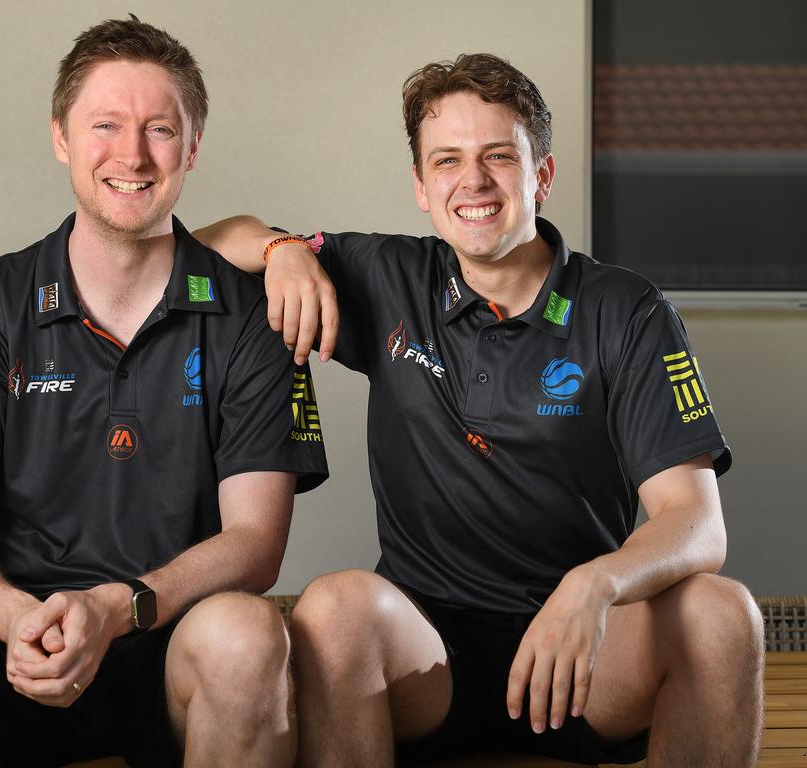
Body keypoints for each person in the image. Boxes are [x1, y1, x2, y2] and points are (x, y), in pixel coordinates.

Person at [194, 53, 763, 766]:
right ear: (421, 188)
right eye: (447, 161)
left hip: (583, 651)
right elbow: (199, 247)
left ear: (542, 176)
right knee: (334, 607)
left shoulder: (627, 311)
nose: (474, 181)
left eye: (499, 156)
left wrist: (593, 586)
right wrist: (281, 249)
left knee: (724, 615)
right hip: (430, 654)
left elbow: (697, 525)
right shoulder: (389, 278)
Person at [0, 17, 327, 768]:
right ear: (61, 136)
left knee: (248, 635)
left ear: (191, 148)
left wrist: (115, 609)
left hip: (169, 641)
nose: (132, 154)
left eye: (160, 129)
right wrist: (20, 619)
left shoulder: (253, 312)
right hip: (13, 646)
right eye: (106, 125)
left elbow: (257, 544)